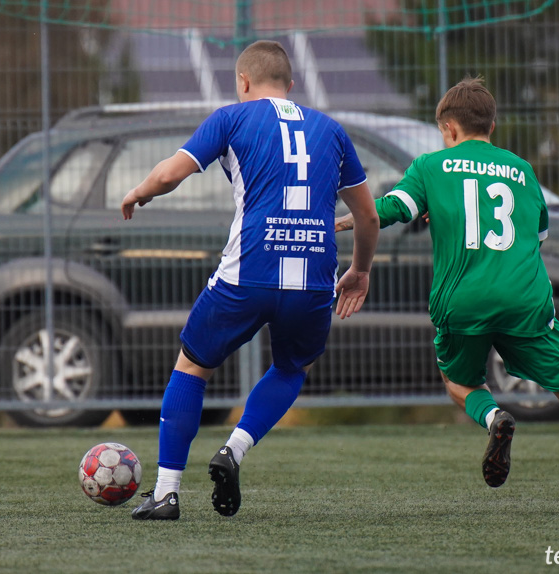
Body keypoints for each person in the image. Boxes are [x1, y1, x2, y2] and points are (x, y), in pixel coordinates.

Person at [336, 76, 559, 515]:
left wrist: (345, 221)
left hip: (462, 299)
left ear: (449, 129)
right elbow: (536, 237)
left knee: (460, 382)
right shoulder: (522, 170)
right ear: (492, 127)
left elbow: (390, 210)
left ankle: (493, 417)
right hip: (525, 298)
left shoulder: (430, 166)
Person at [121, 40, 380, 520]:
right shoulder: (332, 130)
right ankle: (234, 449)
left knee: (193, 367)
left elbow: (171, 174)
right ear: (292, 85)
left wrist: (140, 191)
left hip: (248, 274)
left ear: (243, 81)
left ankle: (166, 493)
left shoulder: (232, 117)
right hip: (313, 280)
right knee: (290, 368)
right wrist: (360, 270)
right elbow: (367, 217)